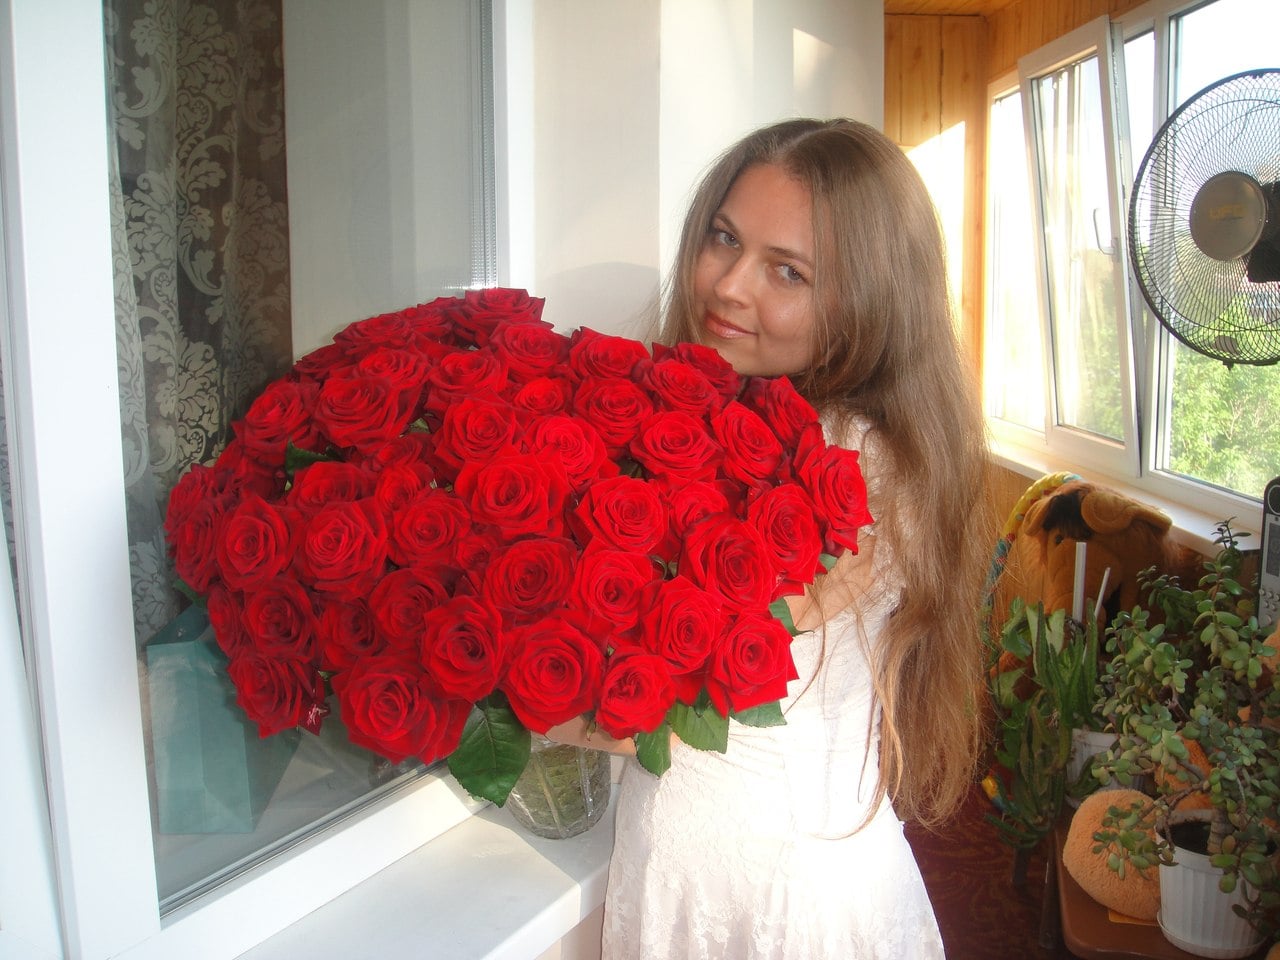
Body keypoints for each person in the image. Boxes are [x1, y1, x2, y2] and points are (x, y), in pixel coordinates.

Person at [554, 117, 994, 959]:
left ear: (868, 301)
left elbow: (656, 705)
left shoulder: (849, 462)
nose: (728, 284)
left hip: (774, 900)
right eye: (724, 238)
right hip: (707, 865)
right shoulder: (751, 418)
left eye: (786, 270)